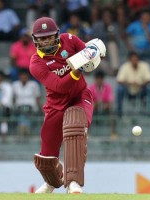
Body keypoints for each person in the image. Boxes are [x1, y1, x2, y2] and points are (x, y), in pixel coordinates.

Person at [29, 17, 106, 194]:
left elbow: (89, 52)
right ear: (35, 40)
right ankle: (51, 182)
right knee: (46, 157)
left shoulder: (69, 40)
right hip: (56, 103)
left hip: (79, 96)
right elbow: (59, 86)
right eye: (41, 38)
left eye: (49, 36)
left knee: (75, 125)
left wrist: (95, 54)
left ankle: (73, 182)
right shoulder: (36, 63)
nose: (45, 40)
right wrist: (78, 68)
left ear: (56, 34)